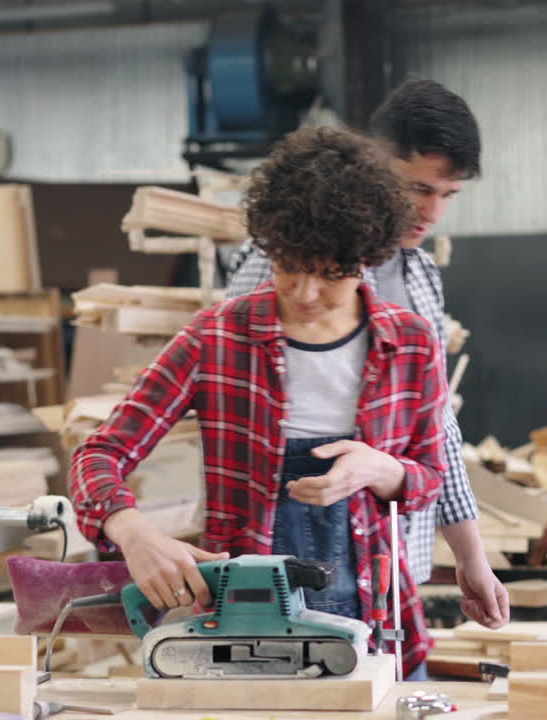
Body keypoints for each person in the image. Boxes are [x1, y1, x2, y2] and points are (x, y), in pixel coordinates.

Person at [70, 127, 447, 680]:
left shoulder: (410, 344)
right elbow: (98, 454)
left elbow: (432, 479)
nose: (305, 293)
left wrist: (385, 470)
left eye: (329, 275)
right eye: (289, 268)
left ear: (366, 258)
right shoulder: (216, 338)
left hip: (377, 624)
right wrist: (132, 531)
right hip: (244, 634)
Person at [226, 78, 510, 629]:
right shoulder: (287, 259)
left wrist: (472, 559)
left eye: (448, 195)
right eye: (417, 188)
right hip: (292, 552)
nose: (432, 212)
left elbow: (436, 429)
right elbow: (234, 395)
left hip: (392, 556)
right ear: (372, 162)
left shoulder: (420, 275)